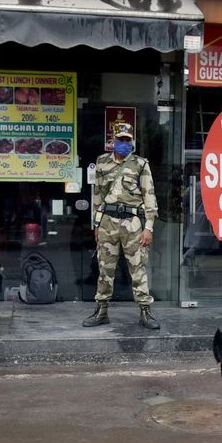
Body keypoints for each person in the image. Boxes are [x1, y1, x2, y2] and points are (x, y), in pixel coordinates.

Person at [83, 122, 160, 329]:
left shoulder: (140, 164)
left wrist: (149, 226)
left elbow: (149, 196)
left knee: (138, 267)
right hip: (108, 221)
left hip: (132, 222)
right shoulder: (102, 162)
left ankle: (145, 310)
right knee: (104, 268)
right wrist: (96, 224)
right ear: (113, 140)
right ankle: (101, 310)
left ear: (131, 141)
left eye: (127, 140)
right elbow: (98, 196)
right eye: (121, 140)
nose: (124, 143)